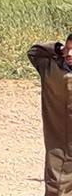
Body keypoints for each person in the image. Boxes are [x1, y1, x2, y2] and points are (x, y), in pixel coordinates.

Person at [28, 35, 72, 195]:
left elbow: (36, 52)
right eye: (67, 49)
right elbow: (34, 51)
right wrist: (58, 48)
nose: (69, 54)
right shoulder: (52, 70)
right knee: (59, 185)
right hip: (62, 143)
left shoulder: (51, 69)